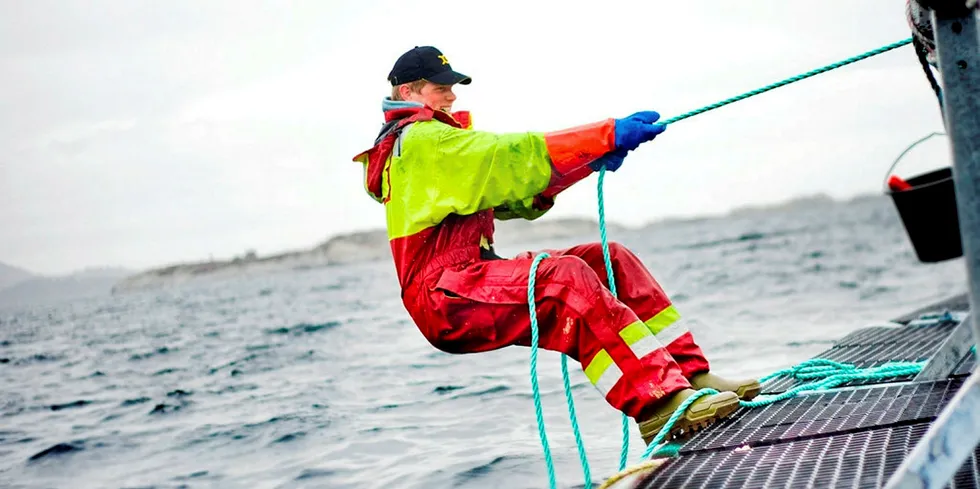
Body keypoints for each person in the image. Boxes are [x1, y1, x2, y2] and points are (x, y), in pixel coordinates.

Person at [352, 45, 761, 444]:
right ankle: (659, 405)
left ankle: (689, 377)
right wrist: (605, 136)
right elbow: (512, 157)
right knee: (564, 280)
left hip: (467, 278)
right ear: (407, 92)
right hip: (444, 295)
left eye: (452, 86)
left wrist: (587, 161)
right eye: (440, 87)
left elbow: (516, 197)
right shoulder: (424, 140)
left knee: (608, 260)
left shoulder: (434, 146)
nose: (452, 94)